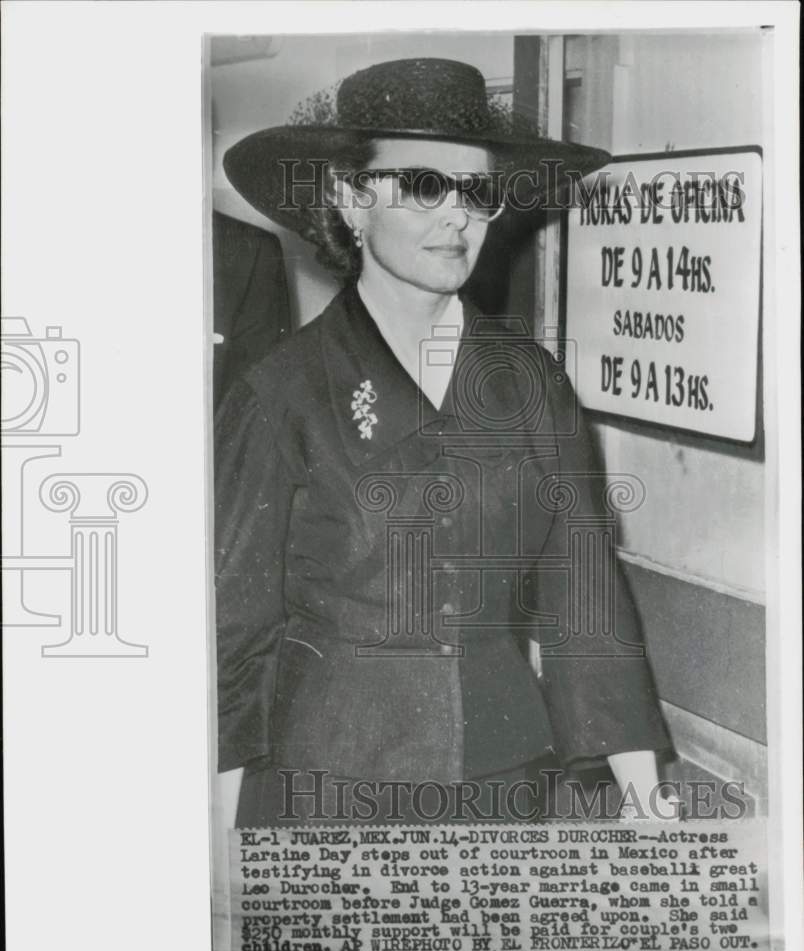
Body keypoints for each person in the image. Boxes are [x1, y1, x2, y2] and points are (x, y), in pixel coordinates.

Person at [215, 57, 673, 828]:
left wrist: (644, 794)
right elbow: (233, 636)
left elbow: (583, 599)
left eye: (478, 192)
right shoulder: (281, 393)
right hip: (324, 791)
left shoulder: (532, 385)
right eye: (426, 186)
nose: (457, 217)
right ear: (351, 199)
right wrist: (218, 841)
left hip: (506, 783)